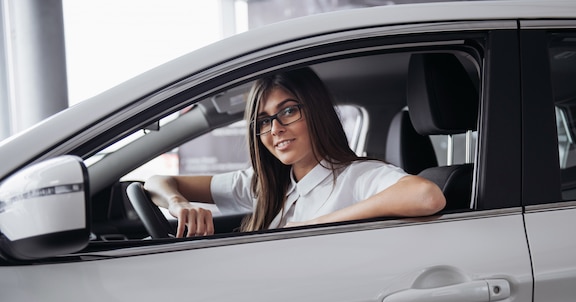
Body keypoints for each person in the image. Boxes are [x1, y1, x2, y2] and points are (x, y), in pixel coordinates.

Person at [145, 67, 446, 237]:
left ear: (315, 111)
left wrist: (316, 226)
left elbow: (426, 196)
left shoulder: (357, 177)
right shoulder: (264, 184)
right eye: (264, 120)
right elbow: (156, 183)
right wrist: (177, 204)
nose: (275, 129)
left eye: (287, 111)